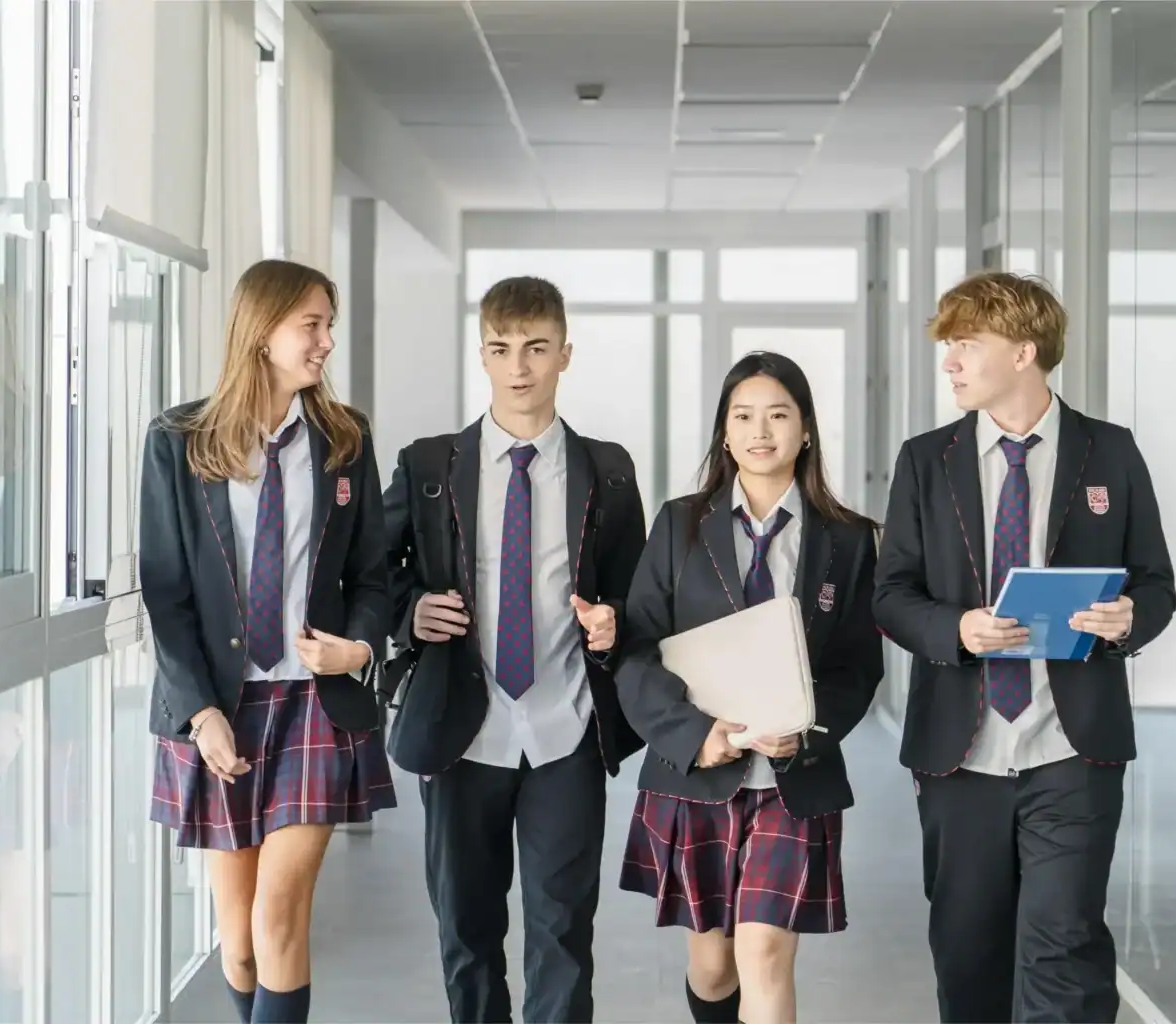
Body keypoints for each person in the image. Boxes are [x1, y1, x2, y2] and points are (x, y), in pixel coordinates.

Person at [873, 271, 1176, 1023]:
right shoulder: (924, 460)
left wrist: (1129, 616)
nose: (950, 361)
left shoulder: (1110, 453)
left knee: (1064, 945)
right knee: (968, 953)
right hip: (959, 753)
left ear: (1024, 352)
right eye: (948, 346)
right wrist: (957, 630)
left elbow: (1157, 583)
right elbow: (891, 594)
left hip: (1072, 748)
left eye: (966, 344)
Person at [382, 275, 648, 1024]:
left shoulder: (607, 470)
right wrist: (410, 612)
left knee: (563, 931)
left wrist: (614, 620)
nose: (520, 367)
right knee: (466, 931)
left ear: (566, 353)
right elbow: (371, 574)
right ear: (483, 356)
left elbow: (641, 595)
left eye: (536, 348)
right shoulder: (430, 466)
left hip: (566, 731)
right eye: (502, 350)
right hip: (463, 730)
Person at [140, 259, 396, 1024]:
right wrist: (200, 712)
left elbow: (373, 577)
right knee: (240, 940)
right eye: (311, 325)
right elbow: (166, 591)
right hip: (218, 706)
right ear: (263, 333)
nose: (326, 342)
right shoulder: (177, 441)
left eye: (328, 325)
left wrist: (359, 649)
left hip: (315, 704)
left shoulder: (345, 439)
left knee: (280, 918)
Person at [615, 351, 884, 1024]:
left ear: (806, 430)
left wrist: (809, 726)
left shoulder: (847, 540)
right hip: (699, 771)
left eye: (778, 414)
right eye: (743, 416)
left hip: (794, 778)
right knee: (713, 970)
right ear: (724, 433)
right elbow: (638, 647)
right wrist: (695, 736)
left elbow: (858, 665)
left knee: (763, 955)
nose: (760, 431)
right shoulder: (678, 525)